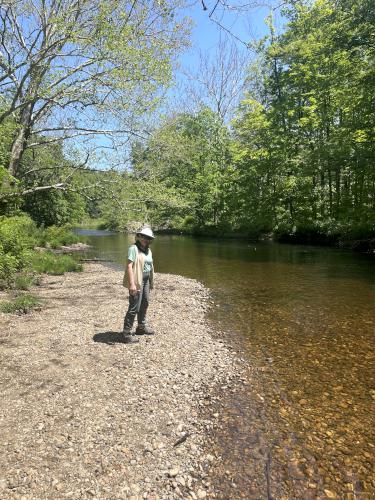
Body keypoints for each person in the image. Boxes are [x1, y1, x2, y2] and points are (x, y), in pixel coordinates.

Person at [122, 227, 155, 344]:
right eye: (145, 237)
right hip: (137, 281)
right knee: (134, 307)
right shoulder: (133, 249)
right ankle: (126, 334)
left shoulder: (148, 250)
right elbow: (129, 266)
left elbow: (150, 266)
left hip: (146, 280)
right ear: (139, 236)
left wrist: (151, 281)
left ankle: (141, 327)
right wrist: (132, 284)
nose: (147, 239)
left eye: (149, 238)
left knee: (145, 303)